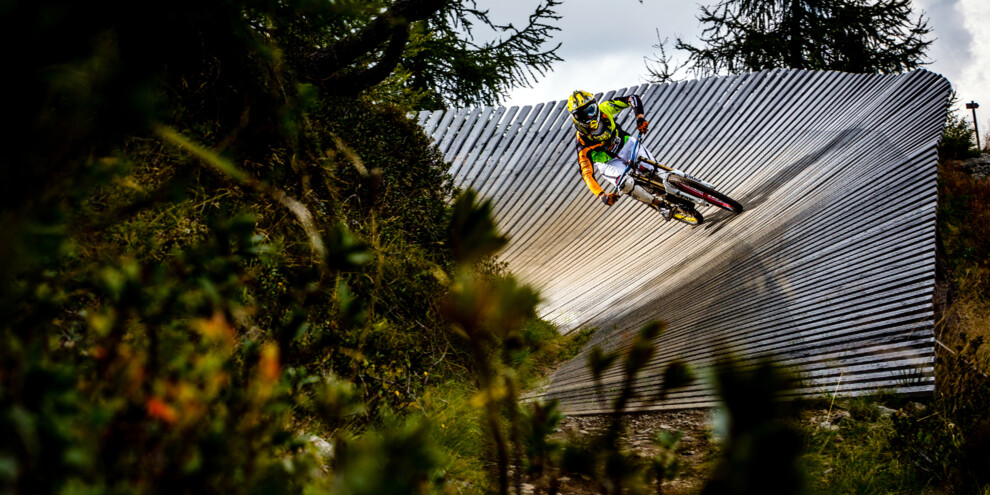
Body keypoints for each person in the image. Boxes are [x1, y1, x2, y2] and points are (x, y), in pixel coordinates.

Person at [567, 90, 674, 220]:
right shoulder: (581, 142)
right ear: (575, 117)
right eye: (581, 115)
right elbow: (586, 174)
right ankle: (659, 205)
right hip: (608, 163)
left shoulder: (605, 108)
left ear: (596, 105)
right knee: (625, 183)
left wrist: (640, 118)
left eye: (590, 110)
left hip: (626, 145)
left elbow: (632, 98)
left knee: (657, 170)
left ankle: (676, 182)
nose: (589, 117)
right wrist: (602, 195)